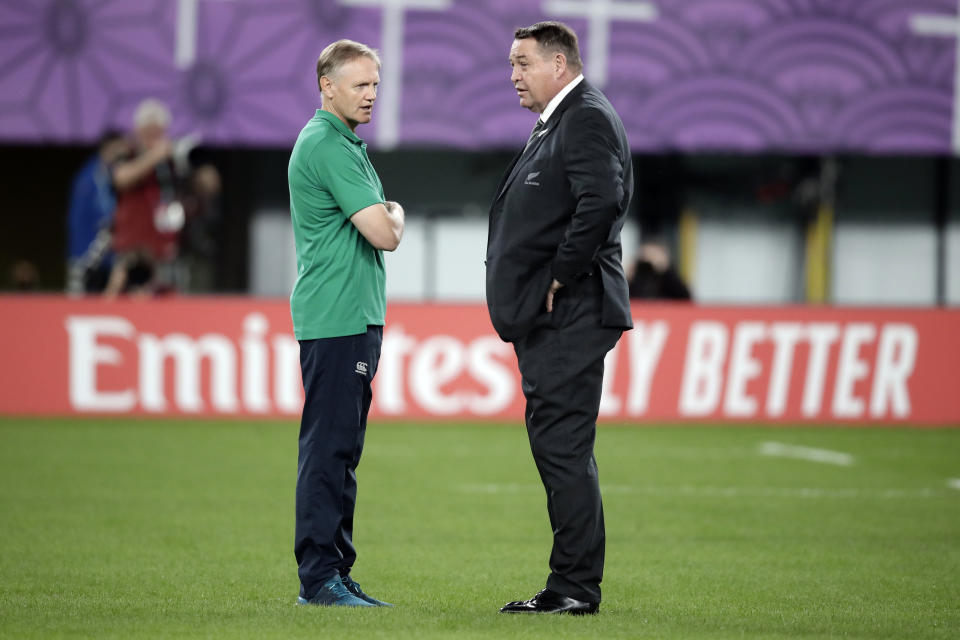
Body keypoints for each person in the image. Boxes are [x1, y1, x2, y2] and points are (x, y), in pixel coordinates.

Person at [485, 21, 634, 615]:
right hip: (556, 313)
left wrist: (558, 273)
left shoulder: (586, 117)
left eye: (523, 63)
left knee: (563, 448)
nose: (513, 75)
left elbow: (603, 200)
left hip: (571, 310)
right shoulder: (563, 120)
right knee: (562, 447)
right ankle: (571, 582)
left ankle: (573, 587)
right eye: (512, 64)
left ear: (559, 64)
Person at [288, 39, 404, 608]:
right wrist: (395, 214)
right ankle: (320, 580)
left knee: (341, 452)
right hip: (337, 317)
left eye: (375, 84)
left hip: (351, 316)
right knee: (329, 450)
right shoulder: (328, 145)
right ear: (326, 86)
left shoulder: (342, 142)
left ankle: (335, 572)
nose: (371, 95)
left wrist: (389, 216)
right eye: (359, 84)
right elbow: (384, 230)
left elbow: (380, 223)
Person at [65, 130, 129, 295]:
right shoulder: (91, 175)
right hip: (86, 255)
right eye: (120, 150)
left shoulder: (106, 174)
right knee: (79, 303)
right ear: (108, 148)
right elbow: (103, 214)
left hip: (104, 256)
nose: (123, 155)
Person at [628, 240, 692, 300]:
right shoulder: (639, 273)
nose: (651, 256)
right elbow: (627, 297)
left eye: (654, 253)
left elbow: (686, 298)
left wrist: (665, 269)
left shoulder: (668, 277)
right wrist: (629, 276)